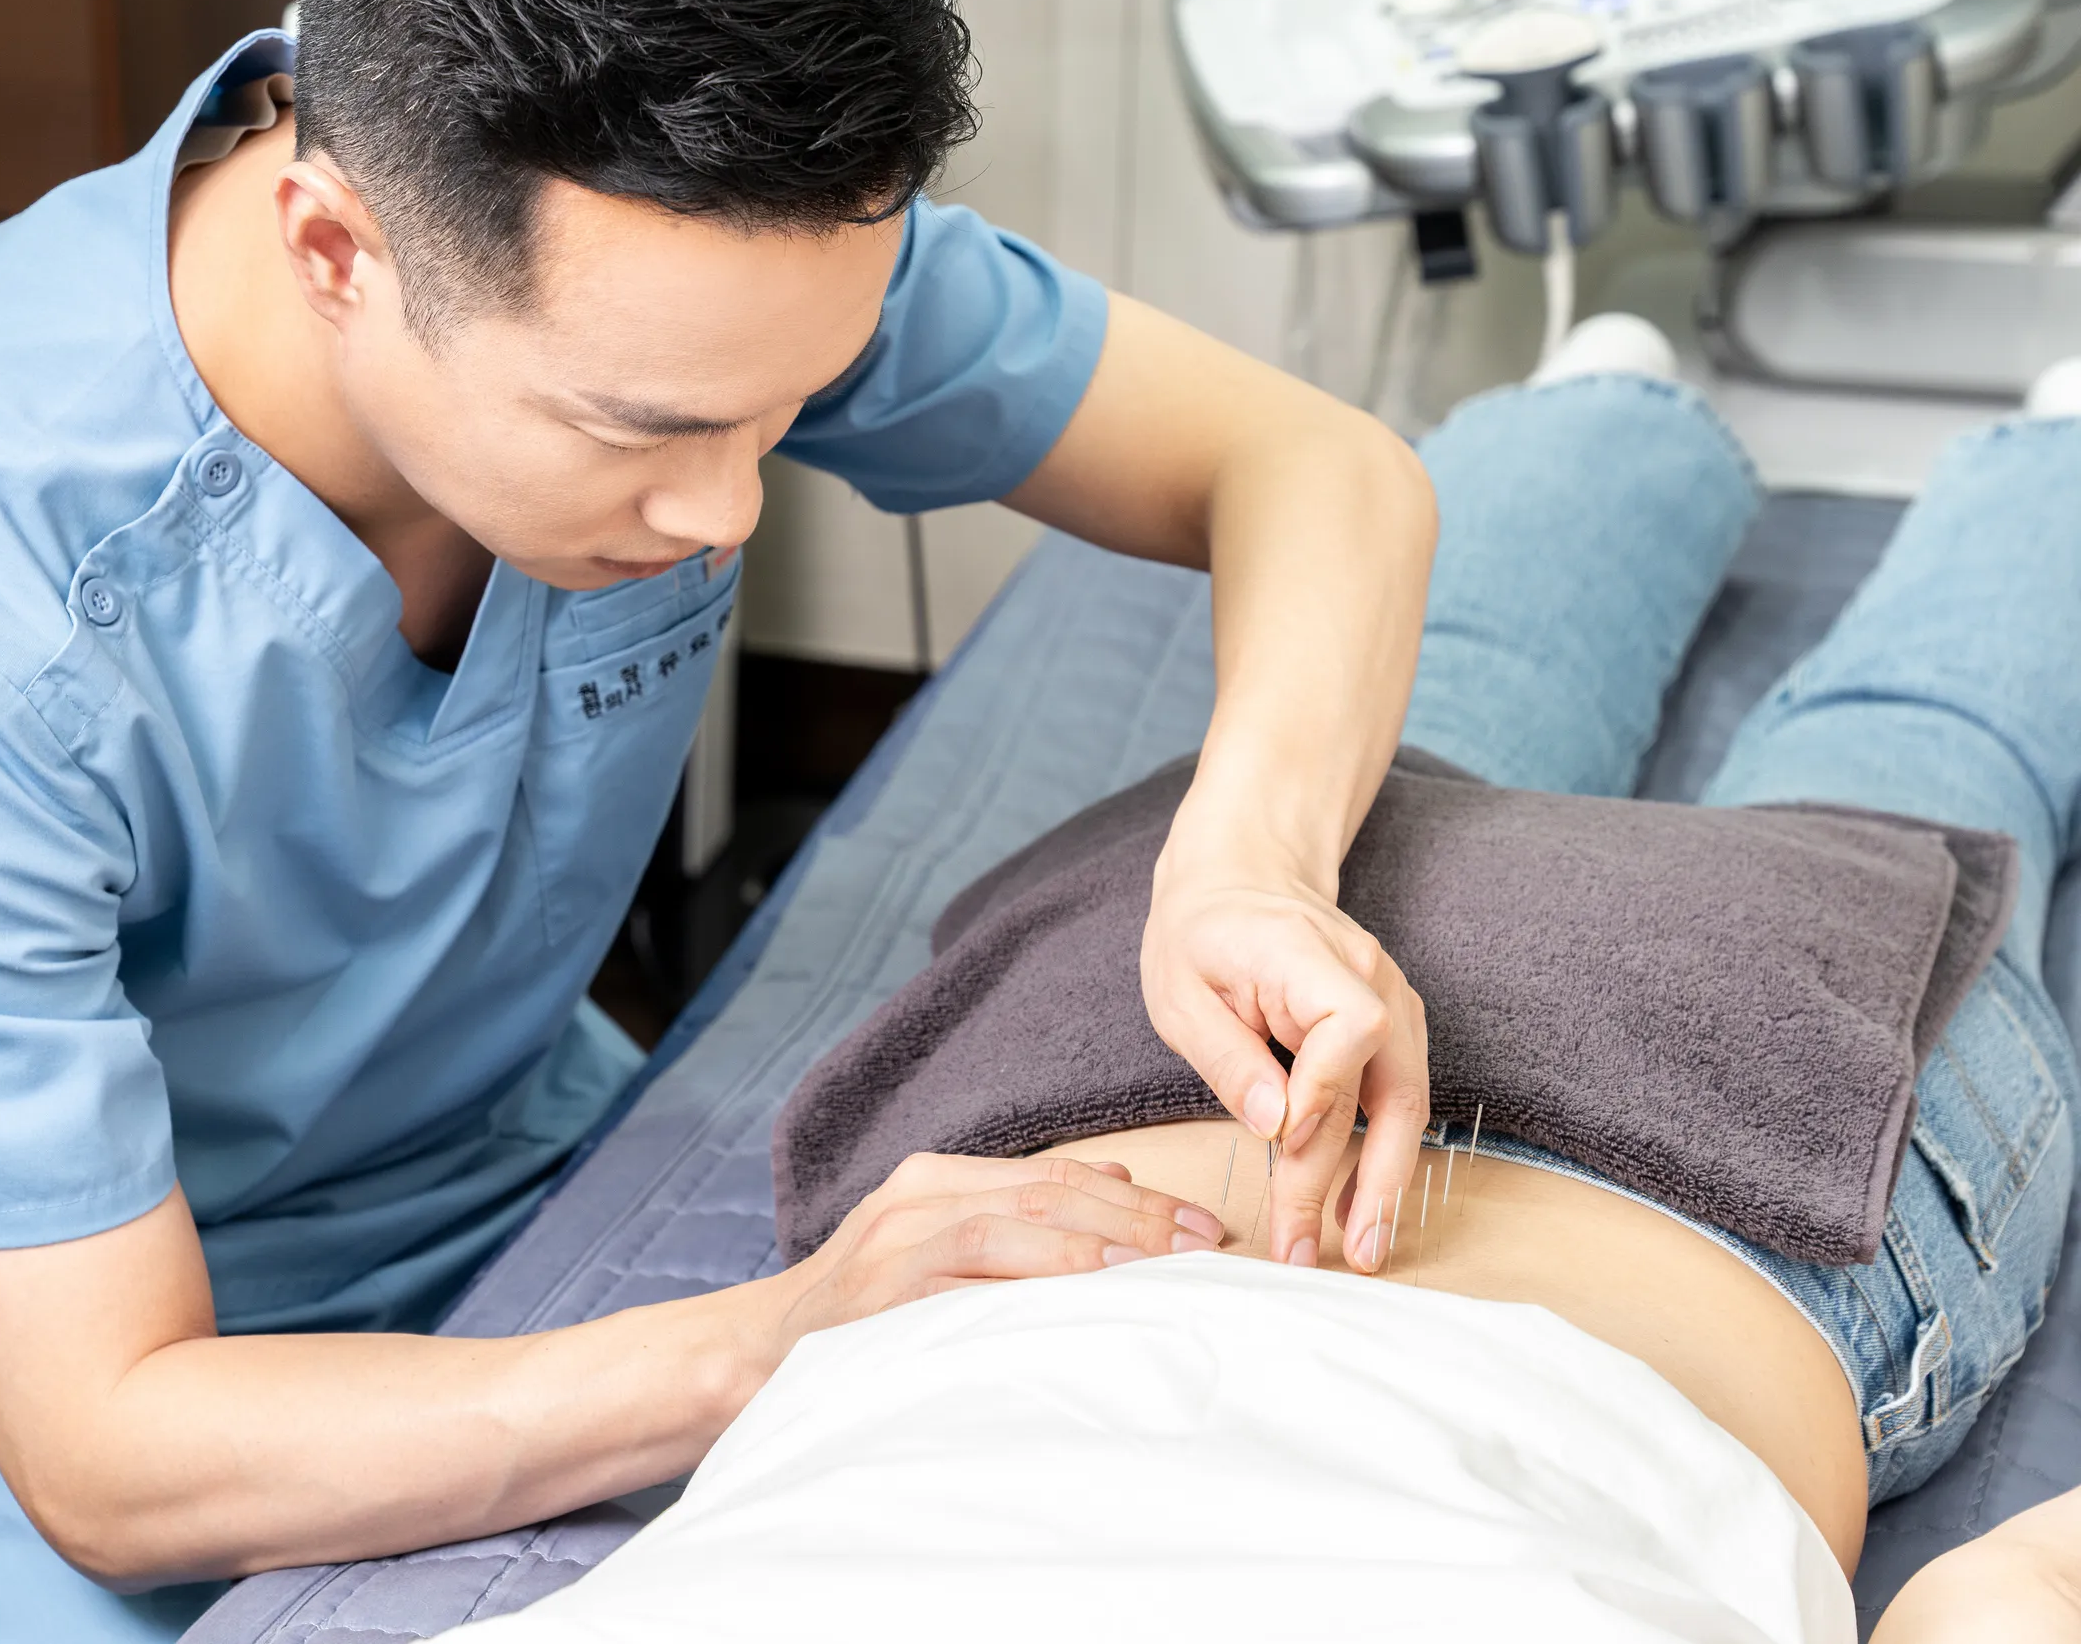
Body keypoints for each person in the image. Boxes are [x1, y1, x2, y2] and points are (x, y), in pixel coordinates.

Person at [0, 0, 1440, 1638]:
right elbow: (109, 1453)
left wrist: (1252, 861)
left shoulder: (700, 276)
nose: (728, 507)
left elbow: (1320, 468)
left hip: (471, 1123)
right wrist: (772, 1339)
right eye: (645, 434)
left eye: (789, 405)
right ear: (335, 250)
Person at [437, 323, 2081, 1642]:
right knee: (1449, 700)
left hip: (1664, 1186)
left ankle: (1978, 437)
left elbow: (1999, 1599)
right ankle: (1603, 396)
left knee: (1921, 752)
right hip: (1124, 1056)